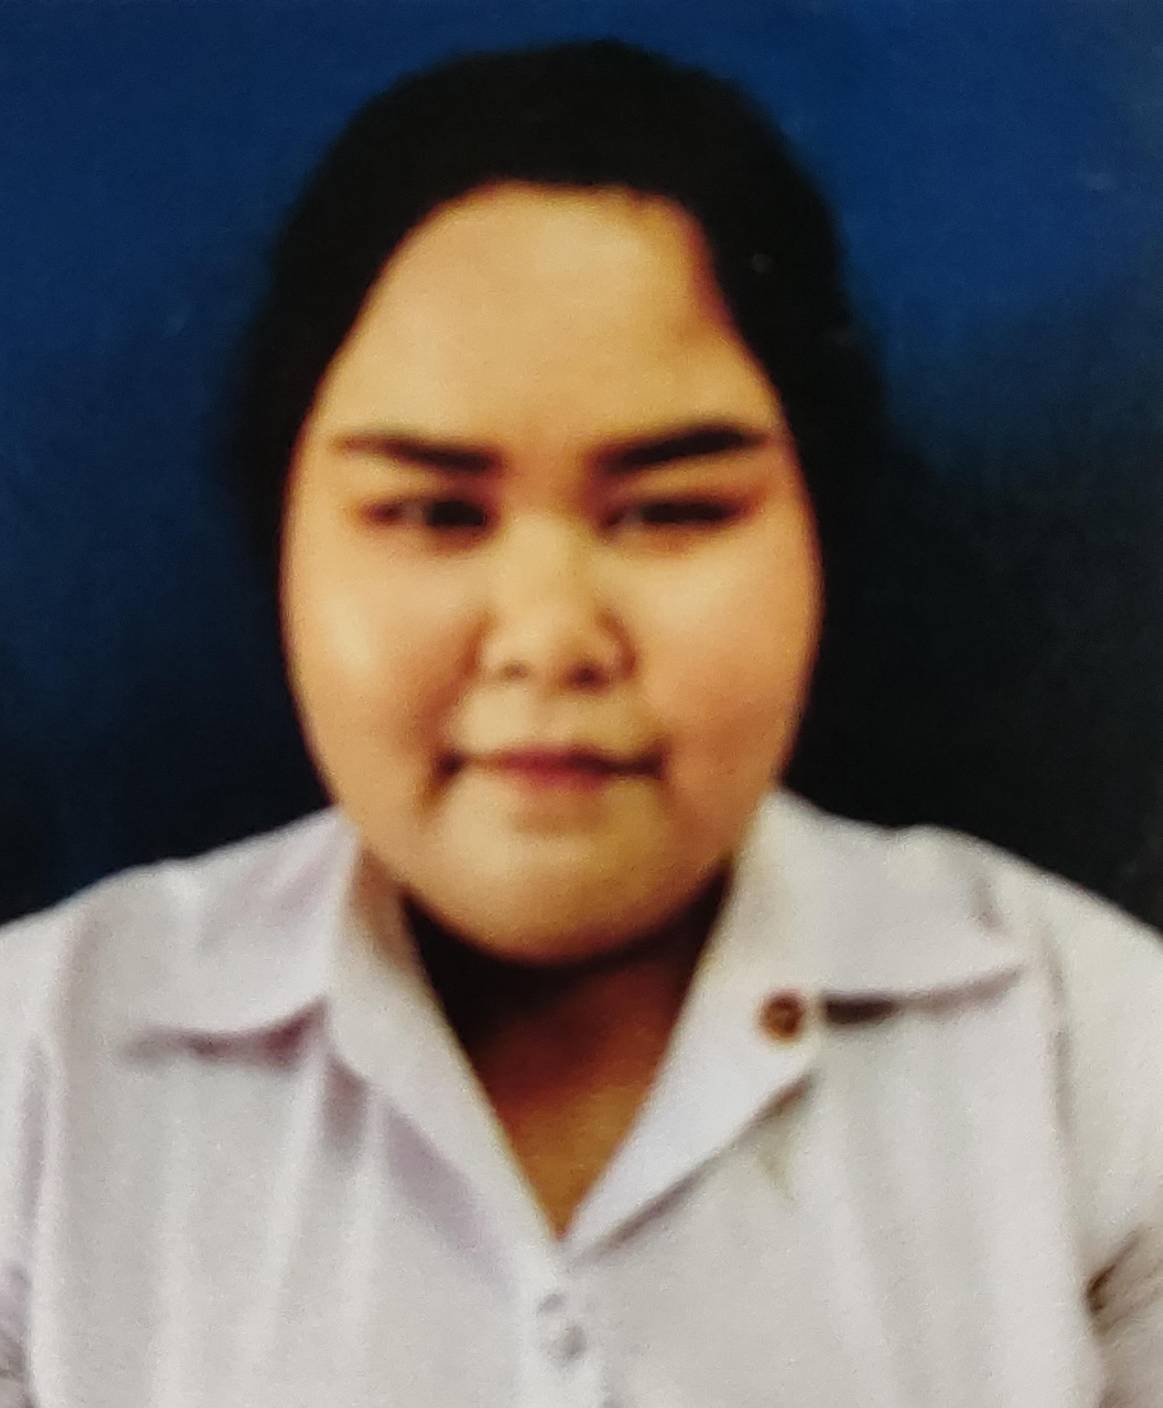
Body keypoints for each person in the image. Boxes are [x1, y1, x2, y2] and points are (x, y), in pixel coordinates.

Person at [2, 38, 1162, 1407]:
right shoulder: (40, 1075)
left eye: (672, 511)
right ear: (286, 548)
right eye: (434, 512)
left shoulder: (1092, 1057)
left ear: (817, 536)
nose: (551, 636)